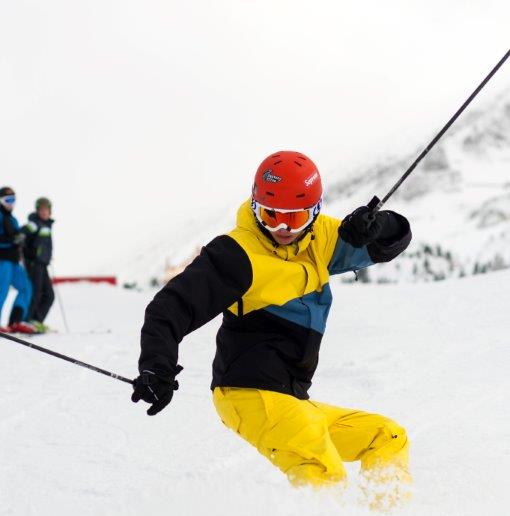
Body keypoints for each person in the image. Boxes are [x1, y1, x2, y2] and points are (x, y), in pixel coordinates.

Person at [131, 151, 412, 496]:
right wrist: (156, 366)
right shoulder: (238, 254)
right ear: (254, 207)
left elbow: (390, 243)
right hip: (248, 392)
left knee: (387, 437)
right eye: (269, 215)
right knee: (323, 471)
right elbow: (171, 306)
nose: (281, 228)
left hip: (291, 398)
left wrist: (375, 226)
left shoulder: (319, 237)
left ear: (314, 212)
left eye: (294, 219)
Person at [0, 187, 34, 333]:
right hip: (2, 260)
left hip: (13, 260)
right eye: (8, 200)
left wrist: (21, 239)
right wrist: (12, 240)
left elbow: (17, 238)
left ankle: (15, 321)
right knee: (2, 290)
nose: (11, 203)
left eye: (13, 200)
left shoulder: (12, 219)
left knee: (26, 287)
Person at [23, 196, 55, 332]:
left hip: (43, 264)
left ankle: (36, 321)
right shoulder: (34, 224)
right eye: (41, 210)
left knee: (49, 295)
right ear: (37, 211)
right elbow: (22, 238)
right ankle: (27, 321)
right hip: (34, 264)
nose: (44, 212)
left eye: (46, 209)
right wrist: (32, 255)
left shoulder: (46, 225)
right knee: (35, 293)